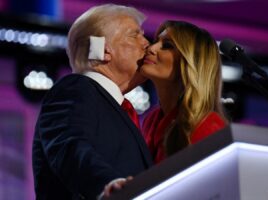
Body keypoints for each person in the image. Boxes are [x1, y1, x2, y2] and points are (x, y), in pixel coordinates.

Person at [32, 4, 153, 200]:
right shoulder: (75, 89)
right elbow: (69, 147)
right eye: (134, 35)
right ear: (103, 51)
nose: (146, 43)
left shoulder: (118, 109)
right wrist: (108, 184)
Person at [141, 20, 229, 164]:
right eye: (156, 41)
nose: (152, 48)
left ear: (190, 63)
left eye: (167, 45)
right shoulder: (151, 120)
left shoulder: (208, 127)